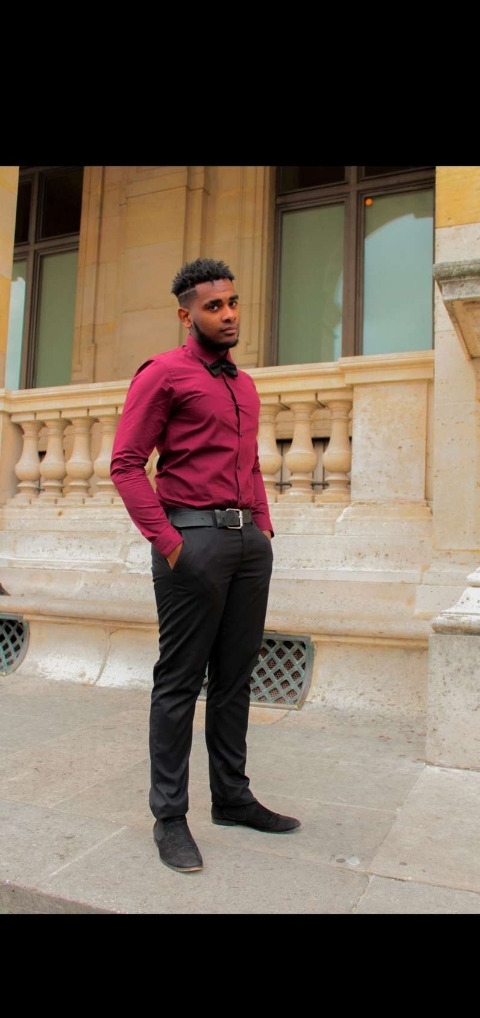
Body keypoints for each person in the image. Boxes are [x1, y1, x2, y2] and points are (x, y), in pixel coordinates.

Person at [110, 257, 301, 873]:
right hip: (191, 541)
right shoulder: (163, 374)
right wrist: (170, 544)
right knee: (179, 682)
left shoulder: (244, 385)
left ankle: (232, 798)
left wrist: (263, 527)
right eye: (213, 306)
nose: (228, 314)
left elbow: (250, 463)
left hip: (247, 546)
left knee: (236, 678)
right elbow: (126, 464)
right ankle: (169, 818)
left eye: (233, 303)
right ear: (185, 314)